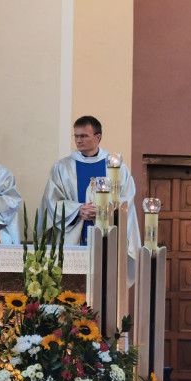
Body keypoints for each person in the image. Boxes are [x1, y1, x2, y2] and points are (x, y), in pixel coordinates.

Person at [39, 115, 141, 282]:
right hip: (73, 239)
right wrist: (77, 209)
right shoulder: (62, 167)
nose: (78, 140)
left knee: (104, 284)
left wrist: (103, 211)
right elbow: (51, 202)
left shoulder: (117, 167)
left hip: (107, 238)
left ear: (97, 137)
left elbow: (126, 200)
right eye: (76, 136)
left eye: (84, 136)